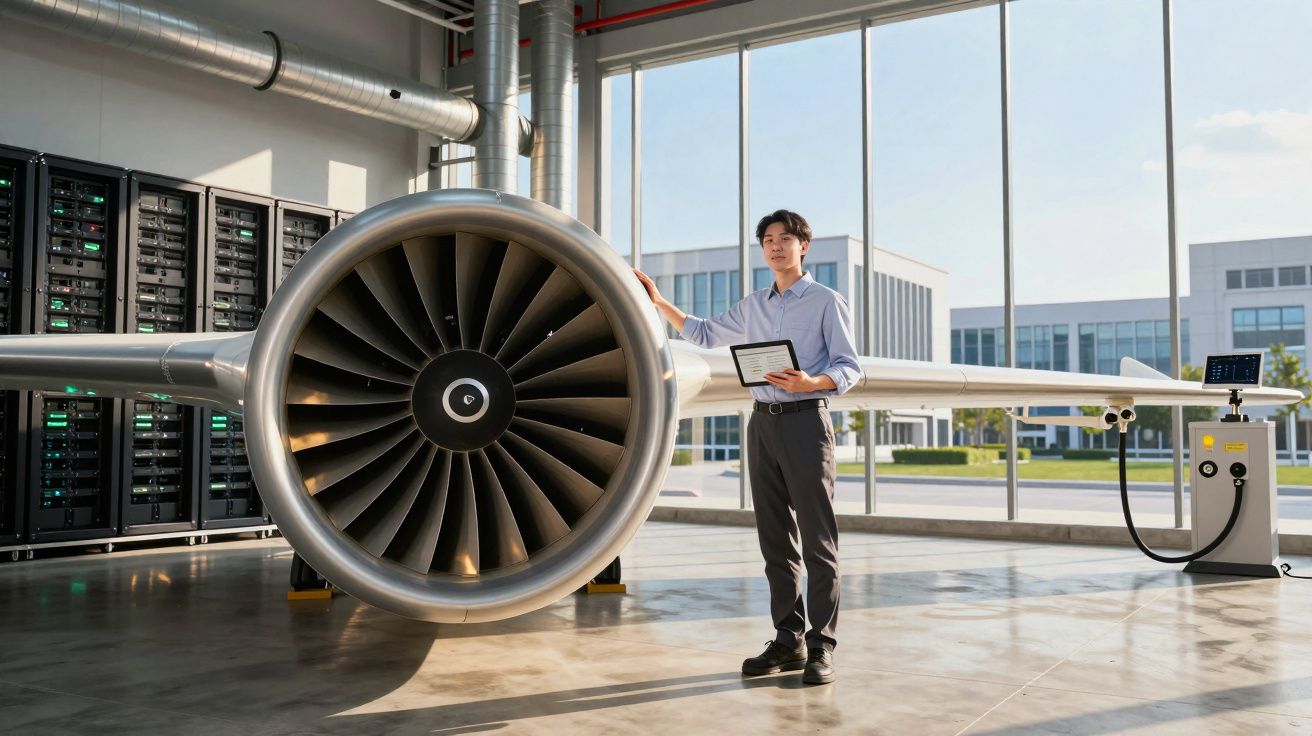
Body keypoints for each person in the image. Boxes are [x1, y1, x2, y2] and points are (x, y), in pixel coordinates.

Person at [633, 209, 860, 685]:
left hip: (806, 422)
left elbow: (849, 367)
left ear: (803, 246)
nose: (776, 246)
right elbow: (703, 334)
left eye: (785, 238)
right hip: (762, 425)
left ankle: (822, 645)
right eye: (768, 239)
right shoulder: (753, 304)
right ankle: (788, 640)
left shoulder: (825, 301)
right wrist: (658, 302)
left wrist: (810, 382)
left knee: (817, 541)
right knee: (775, 540)